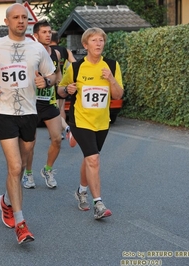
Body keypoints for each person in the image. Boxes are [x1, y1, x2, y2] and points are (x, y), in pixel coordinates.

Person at [0, 3, 56, 244]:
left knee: (22, 162)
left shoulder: (37, 48)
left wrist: (47, 82)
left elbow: (53, 74)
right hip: (4, 111)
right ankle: (20, 223)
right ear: (7, 21)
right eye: (16, 17)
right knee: (15, 165)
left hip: (29, 112)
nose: (21, 21)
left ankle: (6, 202)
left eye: (24, 17)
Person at [58, 27, 124, 219]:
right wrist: (68, 89)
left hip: (102, 121)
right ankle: (99, 204)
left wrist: (111, 79)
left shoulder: (111, 66)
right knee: (94, 159)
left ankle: (81, 190)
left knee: (90, 158)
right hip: (81, 119)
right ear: (86, 45)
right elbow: (61, 89)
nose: (98, 44)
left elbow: (118, 95)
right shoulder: (76, 67)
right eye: (94, 40)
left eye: (101, 40)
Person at [22, 20, 63, 189]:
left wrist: (61, 87)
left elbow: (58, 75)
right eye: (44, 32)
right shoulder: (28, 53)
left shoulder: (56, 54)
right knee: (30, 143)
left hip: (48, 102)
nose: (48, 35)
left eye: (49, 32)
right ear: (35, 35)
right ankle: (28, 173)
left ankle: (48, 169)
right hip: (31, 103)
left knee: (57, 139)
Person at [50, 30, 76, 139]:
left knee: (52, 109)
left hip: (50, 83)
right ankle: (59, 132)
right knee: (61, 109)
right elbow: (75, 64)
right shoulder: (66, 51)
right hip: (63, 82)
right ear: (59, 40)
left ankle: (65, 129)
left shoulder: (45, 51)